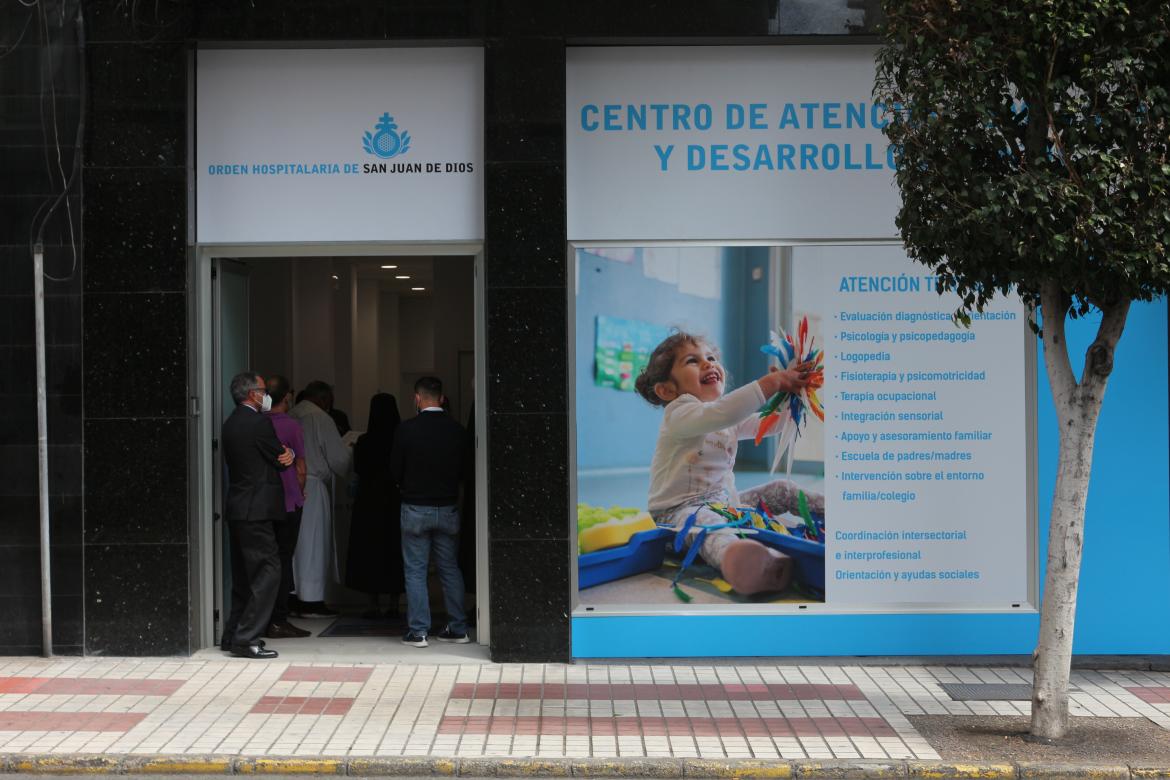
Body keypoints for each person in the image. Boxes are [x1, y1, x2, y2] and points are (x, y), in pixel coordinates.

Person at [635, 332, 825, 595]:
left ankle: (837, 516)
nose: (708, 363)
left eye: (711, 357)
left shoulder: (725, 416)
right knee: (708, 523)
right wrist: (773, 382)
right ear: (668, 390)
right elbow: (723, 412)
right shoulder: (679, 413)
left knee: (782, 488)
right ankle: (740, 561)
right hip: (677, 516)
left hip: (728, 507)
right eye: (693, 360)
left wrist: (797, 394)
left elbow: (775, 423)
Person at [390, 377, 470, 648]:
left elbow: (394, 471)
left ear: (417, 398)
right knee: (449, 568)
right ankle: (458, 628)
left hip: (415, 508)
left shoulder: (406, 430)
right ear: (442, 398)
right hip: (447, 507)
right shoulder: (457, 430)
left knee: (415, 570)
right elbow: (465, 471)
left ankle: (419, 631)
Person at [220, 371, 295, 659]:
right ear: (253, 394)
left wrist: (283, 454)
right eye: (264, 390)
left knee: (242, 576)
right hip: (258, 509)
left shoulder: (231, 423)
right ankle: (247, 637)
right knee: (268, 570)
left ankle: (232, 634)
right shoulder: (259, 423)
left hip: (238, 507)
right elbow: (281, 459)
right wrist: (286, 453)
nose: (268, 395)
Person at [289, 380, 352, 618]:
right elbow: (338, 459)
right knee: (314, 543)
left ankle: (293, 597)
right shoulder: (321, 418)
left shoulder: (292, 413)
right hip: (313, 485)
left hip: (290, 485)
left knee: (295, 544)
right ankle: (312, 601)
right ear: (325, 399)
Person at [345, 393, 405, 618]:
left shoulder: (364, 442)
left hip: (368, 502)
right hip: (395, 500)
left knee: (369, 550)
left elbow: (359, 469)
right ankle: (394, 603)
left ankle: (372, 603)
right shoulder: (400, 438)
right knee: (394, 550)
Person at [263, 375, 311, 639]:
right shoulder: (291, 426)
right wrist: (301, 490)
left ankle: (264, 615)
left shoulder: (257, 424)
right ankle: (279, 618)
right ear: (287, 397)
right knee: (283, 559)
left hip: (263, 502)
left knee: (266, 560)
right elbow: (301, 467)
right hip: (289, 500)